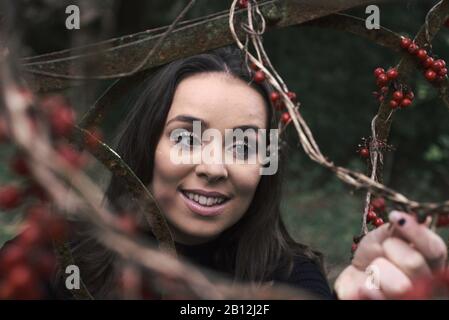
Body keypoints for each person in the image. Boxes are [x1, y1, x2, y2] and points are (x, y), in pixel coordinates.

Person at [1, 45, 447, 300]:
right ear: (145, 145)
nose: (214, 167)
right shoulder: (53, 259)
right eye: (186, 137)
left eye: (244, 146)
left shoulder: (289, 282)